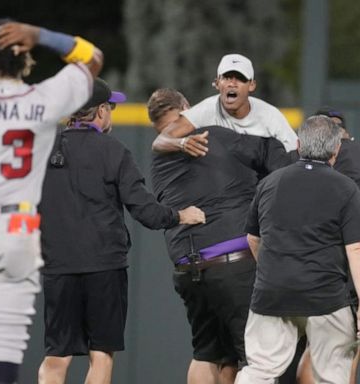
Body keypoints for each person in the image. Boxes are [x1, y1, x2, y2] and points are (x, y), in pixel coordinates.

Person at [37, 79, 205, 384]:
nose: (111, 114)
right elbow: (146, 212)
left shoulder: (45, 149)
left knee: (55, 356)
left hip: (57, 267)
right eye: (110, 108)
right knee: (100, 355)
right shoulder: (114, 150)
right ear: (100, 111)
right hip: (104, 268)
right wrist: (181, 214)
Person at [0, 18, 104, 384]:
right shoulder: (43, 100)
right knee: (4, 354)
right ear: (25, 58)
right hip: (16, 230)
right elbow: (93, 59)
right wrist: (43, 36)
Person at [148, 88, 293, 384]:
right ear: (187, 109)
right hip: (232, 264)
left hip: (187, 269)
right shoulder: (214, 134)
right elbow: (275, 157)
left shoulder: (157, 160)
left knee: (207, 354)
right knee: (258, 359)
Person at [237, 115, 360, 384]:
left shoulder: (270, 183)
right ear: (336, 148)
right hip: (325, 296)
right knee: (332, 375)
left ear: (298, 144)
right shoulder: (346, 187)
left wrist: (273, 274)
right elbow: (356, 250)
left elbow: (252, 239)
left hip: (272, 293)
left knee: (258, 372)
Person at [296, 107, 360, 384]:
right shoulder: (353, 154)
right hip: (345, 266)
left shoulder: (295, 163)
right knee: (340, 348)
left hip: (305, 263)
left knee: (318, 345)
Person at [151, 53, 298, 157]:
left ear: (251, 85)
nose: (232, 84)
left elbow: (295, 155)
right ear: (217, 83)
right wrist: (182, 143)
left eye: (240, 79)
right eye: (227, 77)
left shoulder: (270, 116)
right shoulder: (206, 110)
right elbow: (160, 141)